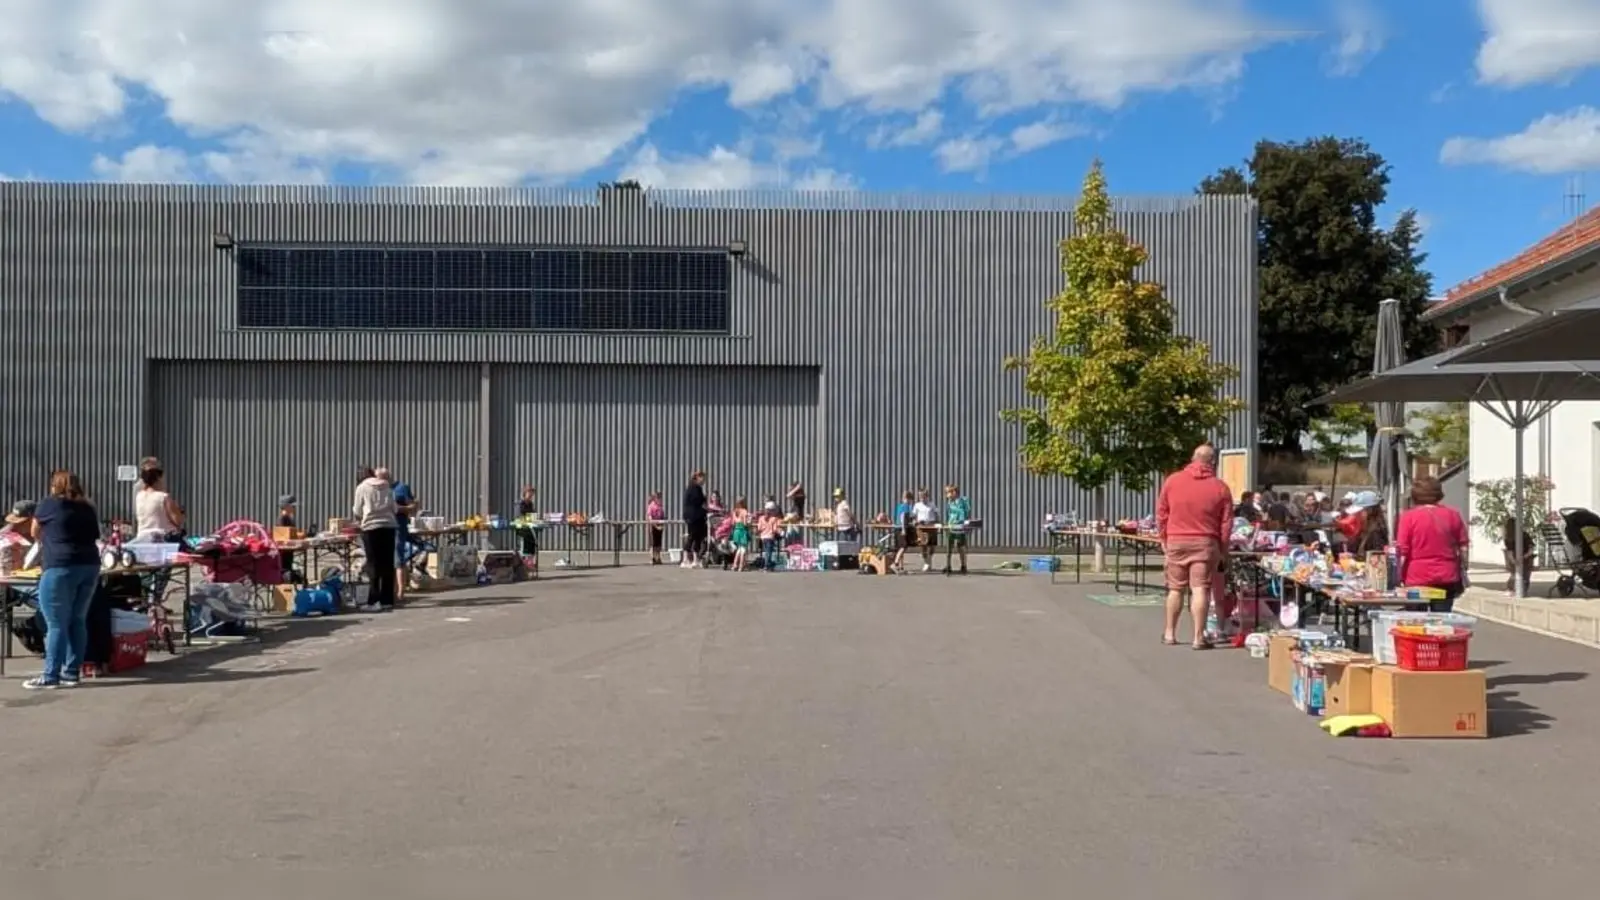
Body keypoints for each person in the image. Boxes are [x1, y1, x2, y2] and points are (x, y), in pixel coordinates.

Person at [24, 471, 102, 690]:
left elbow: (35, 532)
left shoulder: (49, 505)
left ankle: (51, 675)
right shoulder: (87, 507)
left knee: (56, 623)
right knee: (77, 619)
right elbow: (95, 535)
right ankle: (71, 672)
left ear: (54, 486)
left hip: (59, 565)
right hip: (90, 565)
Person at [1156, 444, 1234, 649]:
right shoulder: (1220, 487)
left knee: (1175, 588)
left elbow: (1162, 514)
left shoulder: (1172, 481)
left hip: (1176, 540)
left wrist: (1163, 539)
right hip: (1205, 543)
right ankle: (1198, 637)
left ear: (1192, 458)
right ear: (1213, 462)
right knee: (1200, 588)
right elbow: (1226, 524)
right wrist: (1223, 550)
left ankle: (1169, 633)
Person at [1394, 476, 1469, 612]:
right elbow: (1463, 547)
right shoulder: (1453, 515)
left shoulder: (1408, 517)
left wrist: (1396, 577)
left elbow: (1403, 552)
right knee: (1442, 620)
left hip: (1416, 576)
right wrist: (1464, 568)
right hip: (1446, 575)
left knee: (1416, 621)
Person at [352, 466, 399, 612]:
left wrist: (361, 518)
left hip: (371, 528)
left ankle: (373, 601)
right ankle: (387, 600)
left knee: (373, 564)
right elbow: (395, 509)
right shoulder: (388, 486)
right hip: (389, 526)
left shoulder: (362, 487)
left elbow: (357, 510)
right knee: (387, 562)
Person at [132, 465, 185, 543]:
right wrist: (181, 513)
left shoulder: (139, 496)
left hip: (142, 538)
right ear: (158, 479)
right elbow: (178, 520)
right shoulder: (164, 497)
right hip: (163, 539)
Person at [941, 484, 973, 575]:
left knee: (961, 546)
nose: (947, 495)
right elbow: (950, 514)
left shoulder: (963, 501)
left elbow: (964, 513)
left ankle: (963, 565)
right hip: (951, 526)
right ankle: (948, 565)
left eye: (948, 493)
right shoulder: (950, 502)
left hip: (959, 527)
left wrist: (961, 523)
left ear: (954, 492)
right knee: (949, 546)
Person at [1502, 516, 1536, 596]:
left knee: (1515, 575)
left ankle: (1513, 590)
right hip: (1527, 558)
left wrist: (1513, 560)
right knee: (1525, 576)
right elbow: (1531, 548)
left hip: (1517, 557)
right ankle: (1522, 590)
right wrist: (1525, 556)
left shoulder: (1508, 537)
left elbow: (1509, 551)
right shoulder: (1524, 535)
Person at [681, 471, 708, 569]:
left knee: (698, 538)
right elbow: (697, 502)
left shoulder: (698, 489)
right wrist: (704, 502)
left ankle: (695, 560)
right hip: (693, 517)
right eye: (703, 478)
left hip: (698, 517)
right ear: (697, 478)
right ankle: (685, 559)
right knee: (691, 537)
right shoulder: (692, 488)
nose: (704, 481)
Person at [912, 488, 939, 572]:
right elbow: (913, 516)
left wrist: (938, 525)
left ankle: (929, 561)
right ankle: (926, 563)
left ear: (927, 496)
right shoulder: (917, 505)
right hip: (921, 526)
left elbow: (937, 514)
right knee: (923, 545)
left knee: (932, 545)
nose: (922, 498)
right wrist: (915, 521)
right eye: (920, 496)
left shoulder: (932, 504)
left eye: (924, 496)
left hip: (931, 525)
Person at [891, 490, 916, 574]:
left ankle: (901, 568)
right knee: (903, 547)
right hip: (901, 528)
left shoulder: (899, 506)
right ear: (909, 499)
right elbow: (902, 517)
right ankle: (895, 563)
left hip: (897, 528)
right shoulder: (906, 506)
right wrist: (904, 529)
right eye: (911, 500)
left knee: (900, 547)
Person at [757, 500, 784, 572]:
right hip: (770, 537)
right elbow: (775, 529)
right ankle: (766, 566)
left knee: (766, 551)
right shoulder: (774, 519)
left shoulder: (761, 518)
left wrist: (763, 529)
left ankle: (767, 565)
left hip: (763, 537)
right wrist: (781, 532)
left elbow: (759, 528)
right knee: (769, 552)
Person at [276, 494, 298, 576]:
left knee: (289, 565)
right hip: (284, 550)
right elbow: (284, 534)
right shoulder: (283, 518)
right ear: (286, 506)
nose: (294, 508)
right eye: (292, 506)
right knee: (286, 567)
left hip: (289, 550)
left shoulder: (289, 517)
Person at [515, 485, 540, 557]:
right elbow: (518, 517)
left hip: (529, 527)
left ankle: (530, 559)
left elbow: (533, 515)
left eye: (532, 494)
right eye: (529, 493)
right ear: (525, 493)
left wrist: (535, 518)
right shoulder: (519, 503)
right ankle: (524, 557)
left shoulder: (530, 504)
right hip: (521, 527)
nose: (531, 496)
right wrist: (529, 518)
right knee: (527, 537)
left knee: (533, 539)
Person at [729, 497, 752, 571]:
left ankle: (735, 565)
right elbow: (745, 523)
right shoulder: (744, 511)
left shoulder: (734, 511)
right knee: (743, 550)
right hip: (742, 531)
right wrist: (749, 522)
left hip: (736, 531)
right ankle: (741, 566)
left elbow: (733, 523)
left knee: (739, 549)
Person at [645, 491, 666, 565]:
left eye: (660, 498)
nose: (660, 499)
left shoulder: (660, 506)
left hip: (659, 526)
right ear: (655, 498)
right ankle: (652, 558)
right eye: (658, 498)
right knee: (653, 543)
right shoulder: (651, 506)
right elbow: (650, 518)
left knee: (658, 543)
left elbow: (663, 517)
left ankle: (658, 557)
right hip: (653, 526)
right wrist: (656, 526)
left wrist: (662, 525)